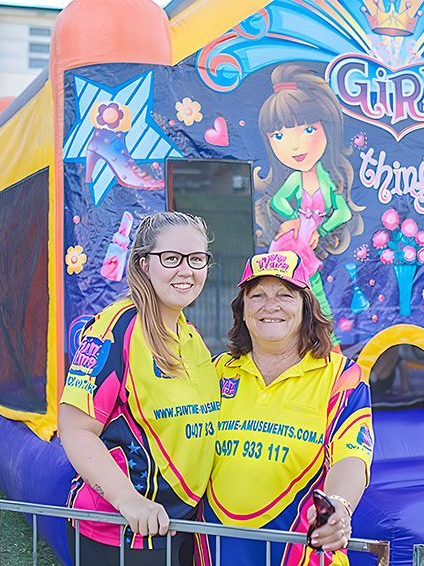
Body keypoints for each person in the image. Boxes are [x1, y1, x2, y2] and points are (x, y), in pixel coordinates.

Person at [58, 211, 219, 566]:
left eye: (196, 259)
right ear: (144, 264)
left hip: (179, 527)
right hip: (119, 532)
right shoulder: (115, 328)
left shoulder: (191, 337)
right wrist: (129, 499)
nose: (186, 270)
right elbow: (74, 428)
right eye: (171, 258)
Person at [199, 250, 374, 565]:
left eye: (284, 295)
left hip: (304, 556)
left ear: (305, 307)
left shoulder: (342, 374)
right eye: (258, 296)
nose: (270, 306)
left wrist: (338, 504)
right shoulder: (216, 370)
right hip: (218, 553)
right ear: (242, 309)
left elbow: (352, 458)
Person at [254, 63, 365, 332]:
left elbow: (343, 212)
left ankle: (327, 339)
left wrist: (321, 229)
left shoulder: (328, 180)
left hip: (308, 245)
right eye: (279, 135)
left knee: (313, 290)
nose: (295, 145)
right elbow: (277, 201)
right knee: (287, 290)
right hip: (290, 243)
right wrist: (292, 220)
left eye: (307, 130)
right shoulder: (295, 180)